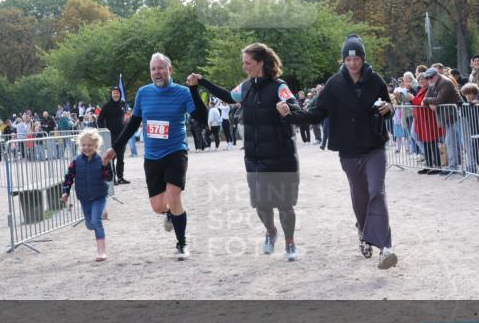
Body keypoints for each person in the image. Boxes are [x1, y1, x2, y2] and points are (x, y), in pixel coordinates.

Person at [277, 34, 398, 270]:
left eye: (357, 58)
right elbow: (315, 114)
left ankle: (386, 248)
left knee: (377, 192)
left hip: (374, 146)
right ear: (343, 60)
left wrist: (388, 108)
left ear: (362, 59)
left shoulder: (376, 80)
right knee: (361, 196)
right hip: (349, 150)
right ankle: (363, 232)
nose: (352, 63)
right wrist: (289, 115)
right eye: (348, 59)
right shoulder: (334, 84)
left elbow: (388, 106)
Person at [188, 43, 303, 261]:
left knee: (285, 205)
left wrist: (288, 109)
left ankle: (290, 242)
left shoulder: (279, 87)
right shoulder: (245, 87)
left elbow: (295, 107)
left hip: (281, 156)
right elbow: (227, 96)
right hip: (255, 157)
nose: (244, 67)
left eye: (247, 63)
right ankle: (271, 231)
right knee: (260, 204)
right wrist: (202, 82)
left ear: (260, 63)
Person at [105, 53, 207, 259]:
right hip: (152, 156)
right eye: (153, 69)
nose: (157, 72)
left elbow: (202, 118)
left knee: (174, 194)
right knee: (158, 206)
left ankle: (182, 244)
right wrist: (115, 148)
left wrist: (195, 90)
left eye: (161, 68)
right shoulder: (143, 93)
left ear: (170, 70)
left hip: (175, 151)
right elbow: (133, 123)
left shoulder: (183, 92)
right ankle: (169, 213)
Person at [62, 128, 115, 261]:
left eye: (90, 145)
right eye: (84, 145)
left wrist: (106, 165)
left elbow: (108, 178)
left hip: (99, 195)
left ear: (96, 146)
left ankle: (101, 252)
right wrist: (65, 192)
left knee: (96, 222)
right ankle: (101, 212)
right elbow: (68, 177)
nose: (86, 148)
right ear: (80, 145)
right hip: (84, 197)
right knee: (90, 224)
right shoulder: (76, 161)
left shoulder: (101, 160)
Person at [422, 67, 462, 172]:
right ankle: (454, 165)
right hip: (446, 116)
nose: (429, 79)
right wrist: (428, 101)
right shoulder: (433, 83)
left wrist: (426, 100)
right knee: (451, 141)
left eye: (431, 77)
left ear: (436, 75)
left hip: (454, 115)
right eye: (427, 78)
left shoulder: (445, 83)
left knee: (451, 141)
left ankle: (453, 167)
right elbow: (429, 97)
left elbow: (438, 100)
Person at [98, 87, 130, 184]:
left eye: (117, 93)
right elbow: (100, 120)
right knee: (112, 157)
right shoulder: (107, 106)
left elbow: (124, 117)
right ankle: (112, 178)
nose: (116, 95)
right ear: (111, 94)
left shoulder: (122, 104)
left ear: (120, 94)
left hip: (122, 135)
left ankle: (120, 177)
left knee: (121, 158)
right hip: (111, 135)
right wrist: (104, 131)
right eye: (114, 93)